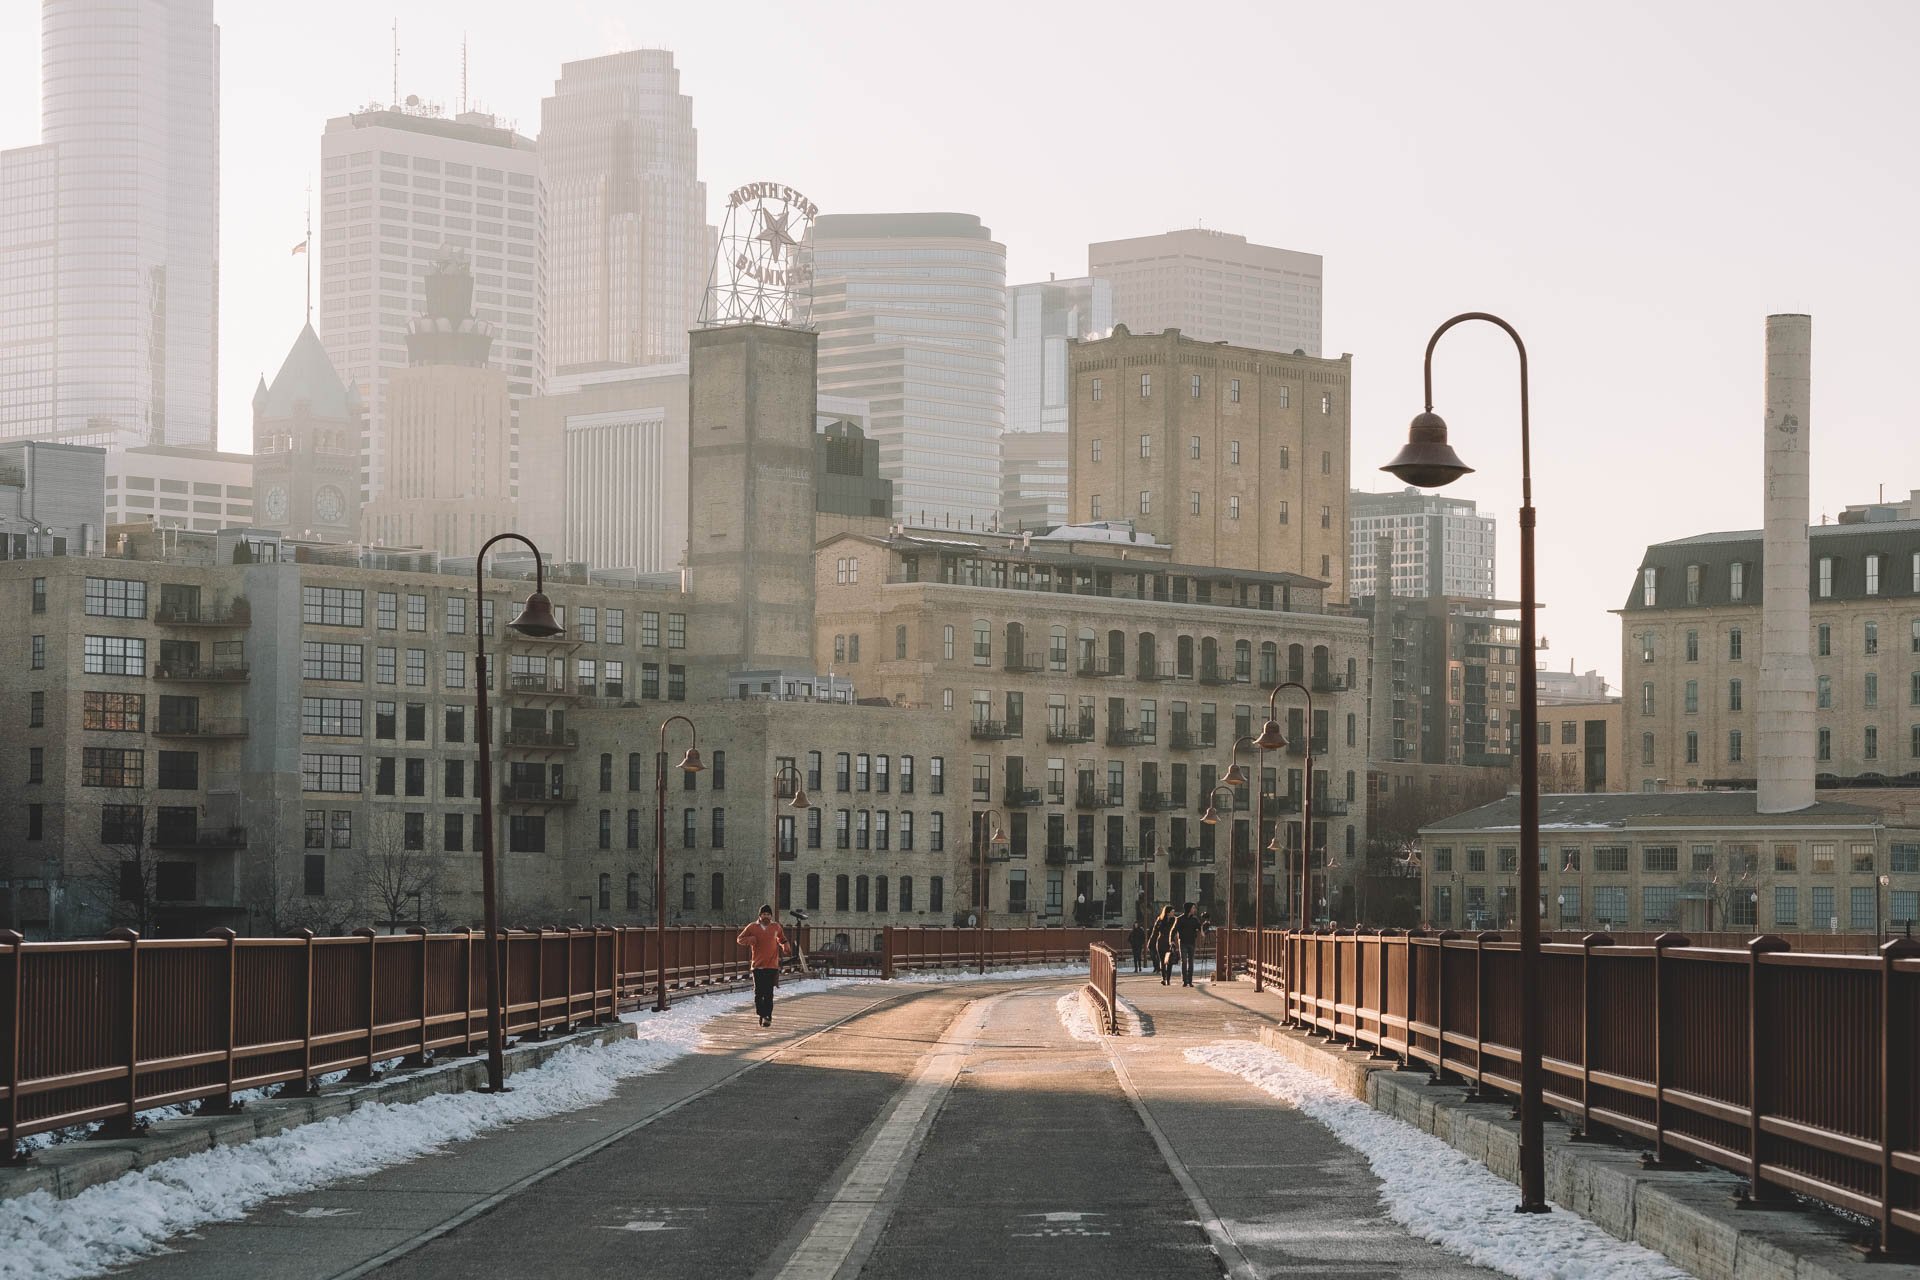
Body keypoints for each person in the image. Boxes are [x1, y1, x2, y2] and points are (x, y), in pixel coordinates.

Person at [736, 904, 791, 1027]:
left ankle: (768, 1017)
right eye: (764, 914)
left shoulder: (775, 927)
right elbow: (740, 939)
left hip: (772, 965)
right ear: (759, 915)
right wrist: (750, 940)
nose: (766, 916)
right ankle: (761, 1013)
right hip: (758, 965)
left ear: (771, 916)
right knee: (759, 993)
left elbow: (781, 939)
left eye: (768, 914)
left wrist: (785, 946)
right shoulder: (752, 927)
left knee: (769, 993)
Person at [1173, 902, 1204, 987]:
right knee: (1184, 961)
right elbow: (1174, 930)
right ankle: (1185, 980)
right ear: (1189, 909)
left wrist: (1203, 928)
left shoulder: (1195, 919)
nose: (1195, 910)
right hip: (1183, 942)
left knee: (1191, 962)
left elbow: (1200, 927)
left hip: (1192, 943)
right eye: (1193, 908)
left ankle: (1190, 981)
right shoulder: (1180, 919)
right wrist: (1171, 940)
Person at [1148, 905, 1175, 984]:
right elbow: (1154, 932)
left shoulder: (1174, 920)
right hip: (1161, 942)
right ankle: (1164, 978)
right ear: (1167, 913)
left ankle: (1168, 979)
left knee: (1169, 961)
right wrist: (1150, 942)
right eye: (1172, 911)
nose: (1173, 913)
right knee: (1162, 961)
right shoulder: (1160, 920)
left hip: (1170, 943)